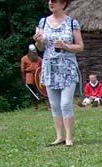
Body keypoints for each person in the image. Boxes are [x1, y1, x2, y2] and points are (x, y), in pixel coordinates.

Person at [33, 0, 84, 146]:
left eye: (54, 1)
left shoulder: (72, 23)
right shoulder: (43, 22)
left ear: (63, 4)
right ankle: (59, 136)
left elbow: (80, 46)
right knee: (54, 104)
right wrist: (38, 41)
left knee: (66, 103)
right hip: (50, 67)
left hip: (67, 67)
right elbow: (41, 48)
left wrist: (65, 46)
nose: (50, 3)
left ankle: (69, 137)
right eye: (49, 1)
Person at [21, 44, 42, 110]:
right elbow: (22, 69)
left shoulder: (39, 59)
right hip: (29, 76)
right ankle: (34, 106)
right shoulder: (24, 58)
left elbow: (42, 68)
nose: (33, 52)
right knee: (32, 91)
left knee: (41, 89)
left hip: (38, 76)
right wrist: (23, 78)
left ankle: (48, 105)